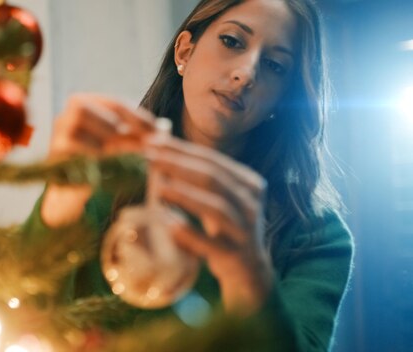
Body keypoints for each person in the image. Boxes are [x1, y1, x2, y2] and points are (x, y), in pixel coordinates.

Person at [24, 0, 353, 350]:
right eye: (232, 41)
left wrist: (247, 273)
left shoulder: (316, 234)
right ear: (185, 51)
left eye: (274, 65)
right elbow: (7, 311)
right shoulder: (99, 183)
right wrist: (59, 206)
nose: (246, 73)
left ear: (282, 100)